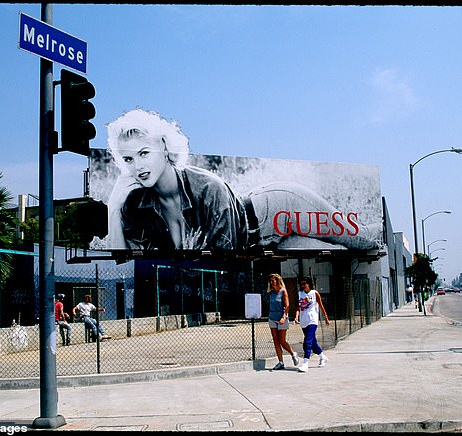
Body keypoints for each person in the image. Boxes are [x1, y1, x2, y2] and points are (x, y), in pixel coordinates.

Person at [105, 109, 381, 252]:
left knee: (359, 238)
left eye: (144, 153)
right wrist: (113, 209)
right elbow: (122, 260)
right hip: (263, 243)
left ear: (165, 147)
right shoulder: (135, 202)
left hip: (277, 209)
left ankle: (385, 231)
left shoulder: (208, 189)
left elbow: (226, 258)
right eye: (128, 159)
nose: (138, 166)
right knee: (333, 252)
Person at [294, 276, 329, 373]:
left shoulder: (314, 293)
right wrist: (296, 317)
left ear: (309, 284)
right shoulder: (300, 294)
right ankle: (322, 357)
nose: (303, 286)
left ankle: (305, 363)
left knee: (307, 342)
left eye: (304, 283)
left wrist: (326, 317)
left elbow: (321, 306)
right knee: (313, 342)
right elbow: (298, 307)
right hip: (304, 321)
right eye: (301, 284)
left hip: (312, 320)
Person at [267, 273, 299, 370]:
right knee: (275, 341)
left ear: (277, 281)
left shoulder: (283, 291)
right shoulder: (271, 293)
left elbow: (287, 306)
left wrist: (283, 317)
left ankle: (293, 354)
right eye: (271, 281)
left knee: (282, 340)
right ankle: (281, 362)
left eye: (273, 280)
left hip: (281, 318)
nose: (272, 282)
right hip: (272, 318)